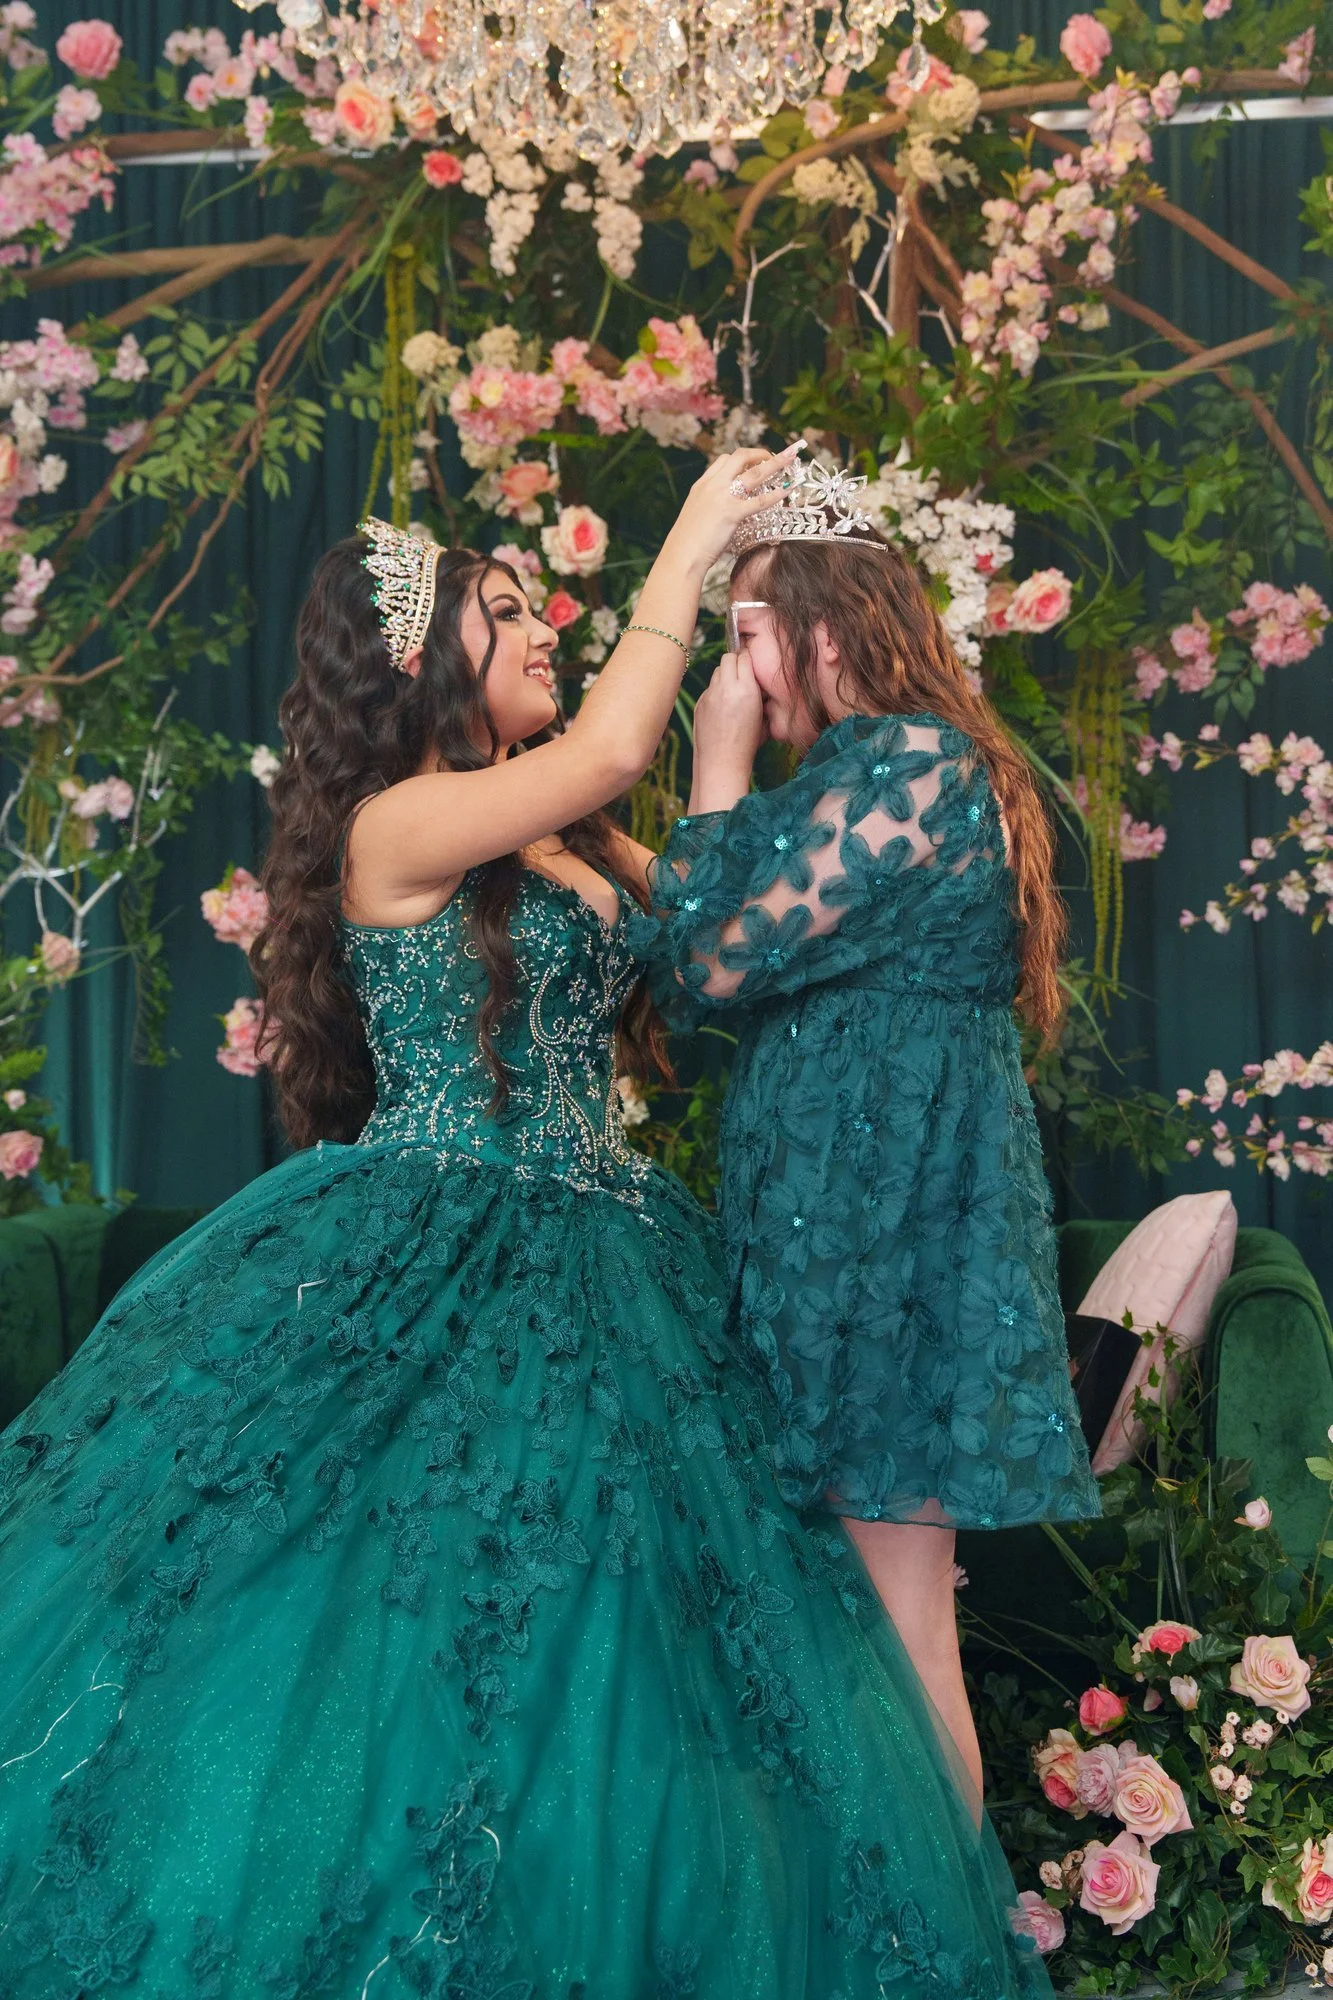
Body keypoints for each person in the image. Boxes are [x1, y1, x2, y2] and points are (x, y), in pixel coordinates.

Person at [0, 450, 1054, 1997]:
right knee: (425, 1631)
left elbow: (712, 938)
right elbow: (627, 744)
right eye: (504, 613)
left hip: (617, 1251)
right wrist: (697, 542)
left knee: (629, 1655)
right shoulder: (400, 823)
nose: (542, 627)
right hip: (435, 1241)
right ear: (430, 667)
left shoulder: (569, 845)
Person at [630, 461, 1100, 1802]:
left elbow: (706, 965)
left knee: (897, 1630)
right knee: (862, 1632)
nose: (735, 668)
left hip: (889, 1256)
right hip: (840, 1247)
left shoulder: (914, 765)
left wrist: (715, 766)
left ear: (824, 631)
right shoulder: (864, 775)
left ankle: (939, 1920)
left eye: (747, 633)